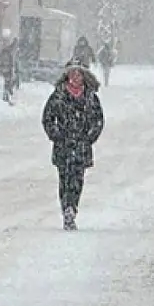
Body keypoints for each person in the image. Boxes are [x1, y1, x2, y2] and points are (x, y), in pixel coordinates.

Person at [42, 63, 105, 230]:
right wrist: (56, 134)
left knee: (77, 180)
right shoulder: (58, 96)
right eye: (72, 74)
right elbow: (47, 118)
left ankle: (73, 207)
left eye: (78, 74)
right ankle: (66, 209)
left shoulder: (90, 97)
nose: (75, 77)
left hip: (81, 146)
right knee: (64, 179)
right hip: (63, 146)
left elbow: (98, 120)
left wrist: (89, 137)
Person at [0, 30, 17, 104]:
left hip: (7, 68)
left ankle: (7, 95)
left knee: (9, 82)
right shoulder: (7, 52)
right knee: (8, 82)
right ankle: (6, 96)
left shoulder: (7, 51)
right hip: (7, 69)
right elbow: (6, 61)